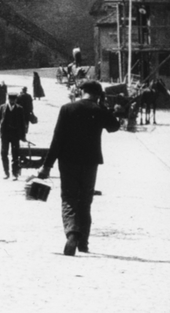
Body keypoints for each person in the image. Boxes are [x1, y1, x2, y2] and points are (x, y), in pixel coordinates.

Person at [37, 79, 120, 255]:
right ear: (98, 94)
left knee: (69, 198)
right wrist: (104, 107)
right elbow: (114, 127)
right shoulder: (99, 110)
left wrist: (47, 166)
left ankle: (72, 233)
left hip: (67, 161)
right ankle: (83, 243)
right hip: (90, 162)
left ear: (82, 92)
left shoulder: (67, 109)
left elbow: (57, 139)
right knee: (85, 201)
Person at [0, 93, 27, 178]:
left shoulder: (20, 108)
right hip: (5, 134)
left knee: (15, 154)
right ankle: (6, 172)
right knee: (4, 153)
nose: (12, 101)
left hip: (15, 135)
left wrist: (23, 136)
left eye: (14, 100)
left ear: (16, 100)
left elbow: (23, 123)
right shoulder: (2, 107)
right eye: (11, 100)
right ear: (8, 99)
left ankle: (14, 173)